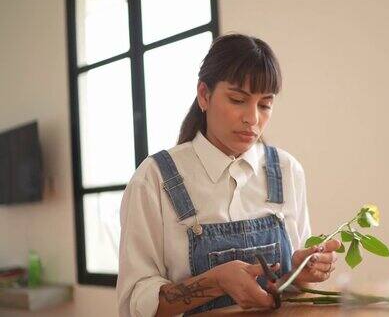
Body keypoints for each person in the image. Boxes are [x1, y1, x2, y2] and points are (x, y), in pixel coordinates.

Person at [116, 33, 341, 317]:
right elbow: (135, 304)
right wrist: (216, 281)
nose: (252, 118)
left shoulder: (287, 171)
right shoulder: (154, 178)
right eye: (237, 100)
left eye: (265, 105)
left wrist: (302, 272)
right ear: (204, 95)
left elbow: (290, 291)